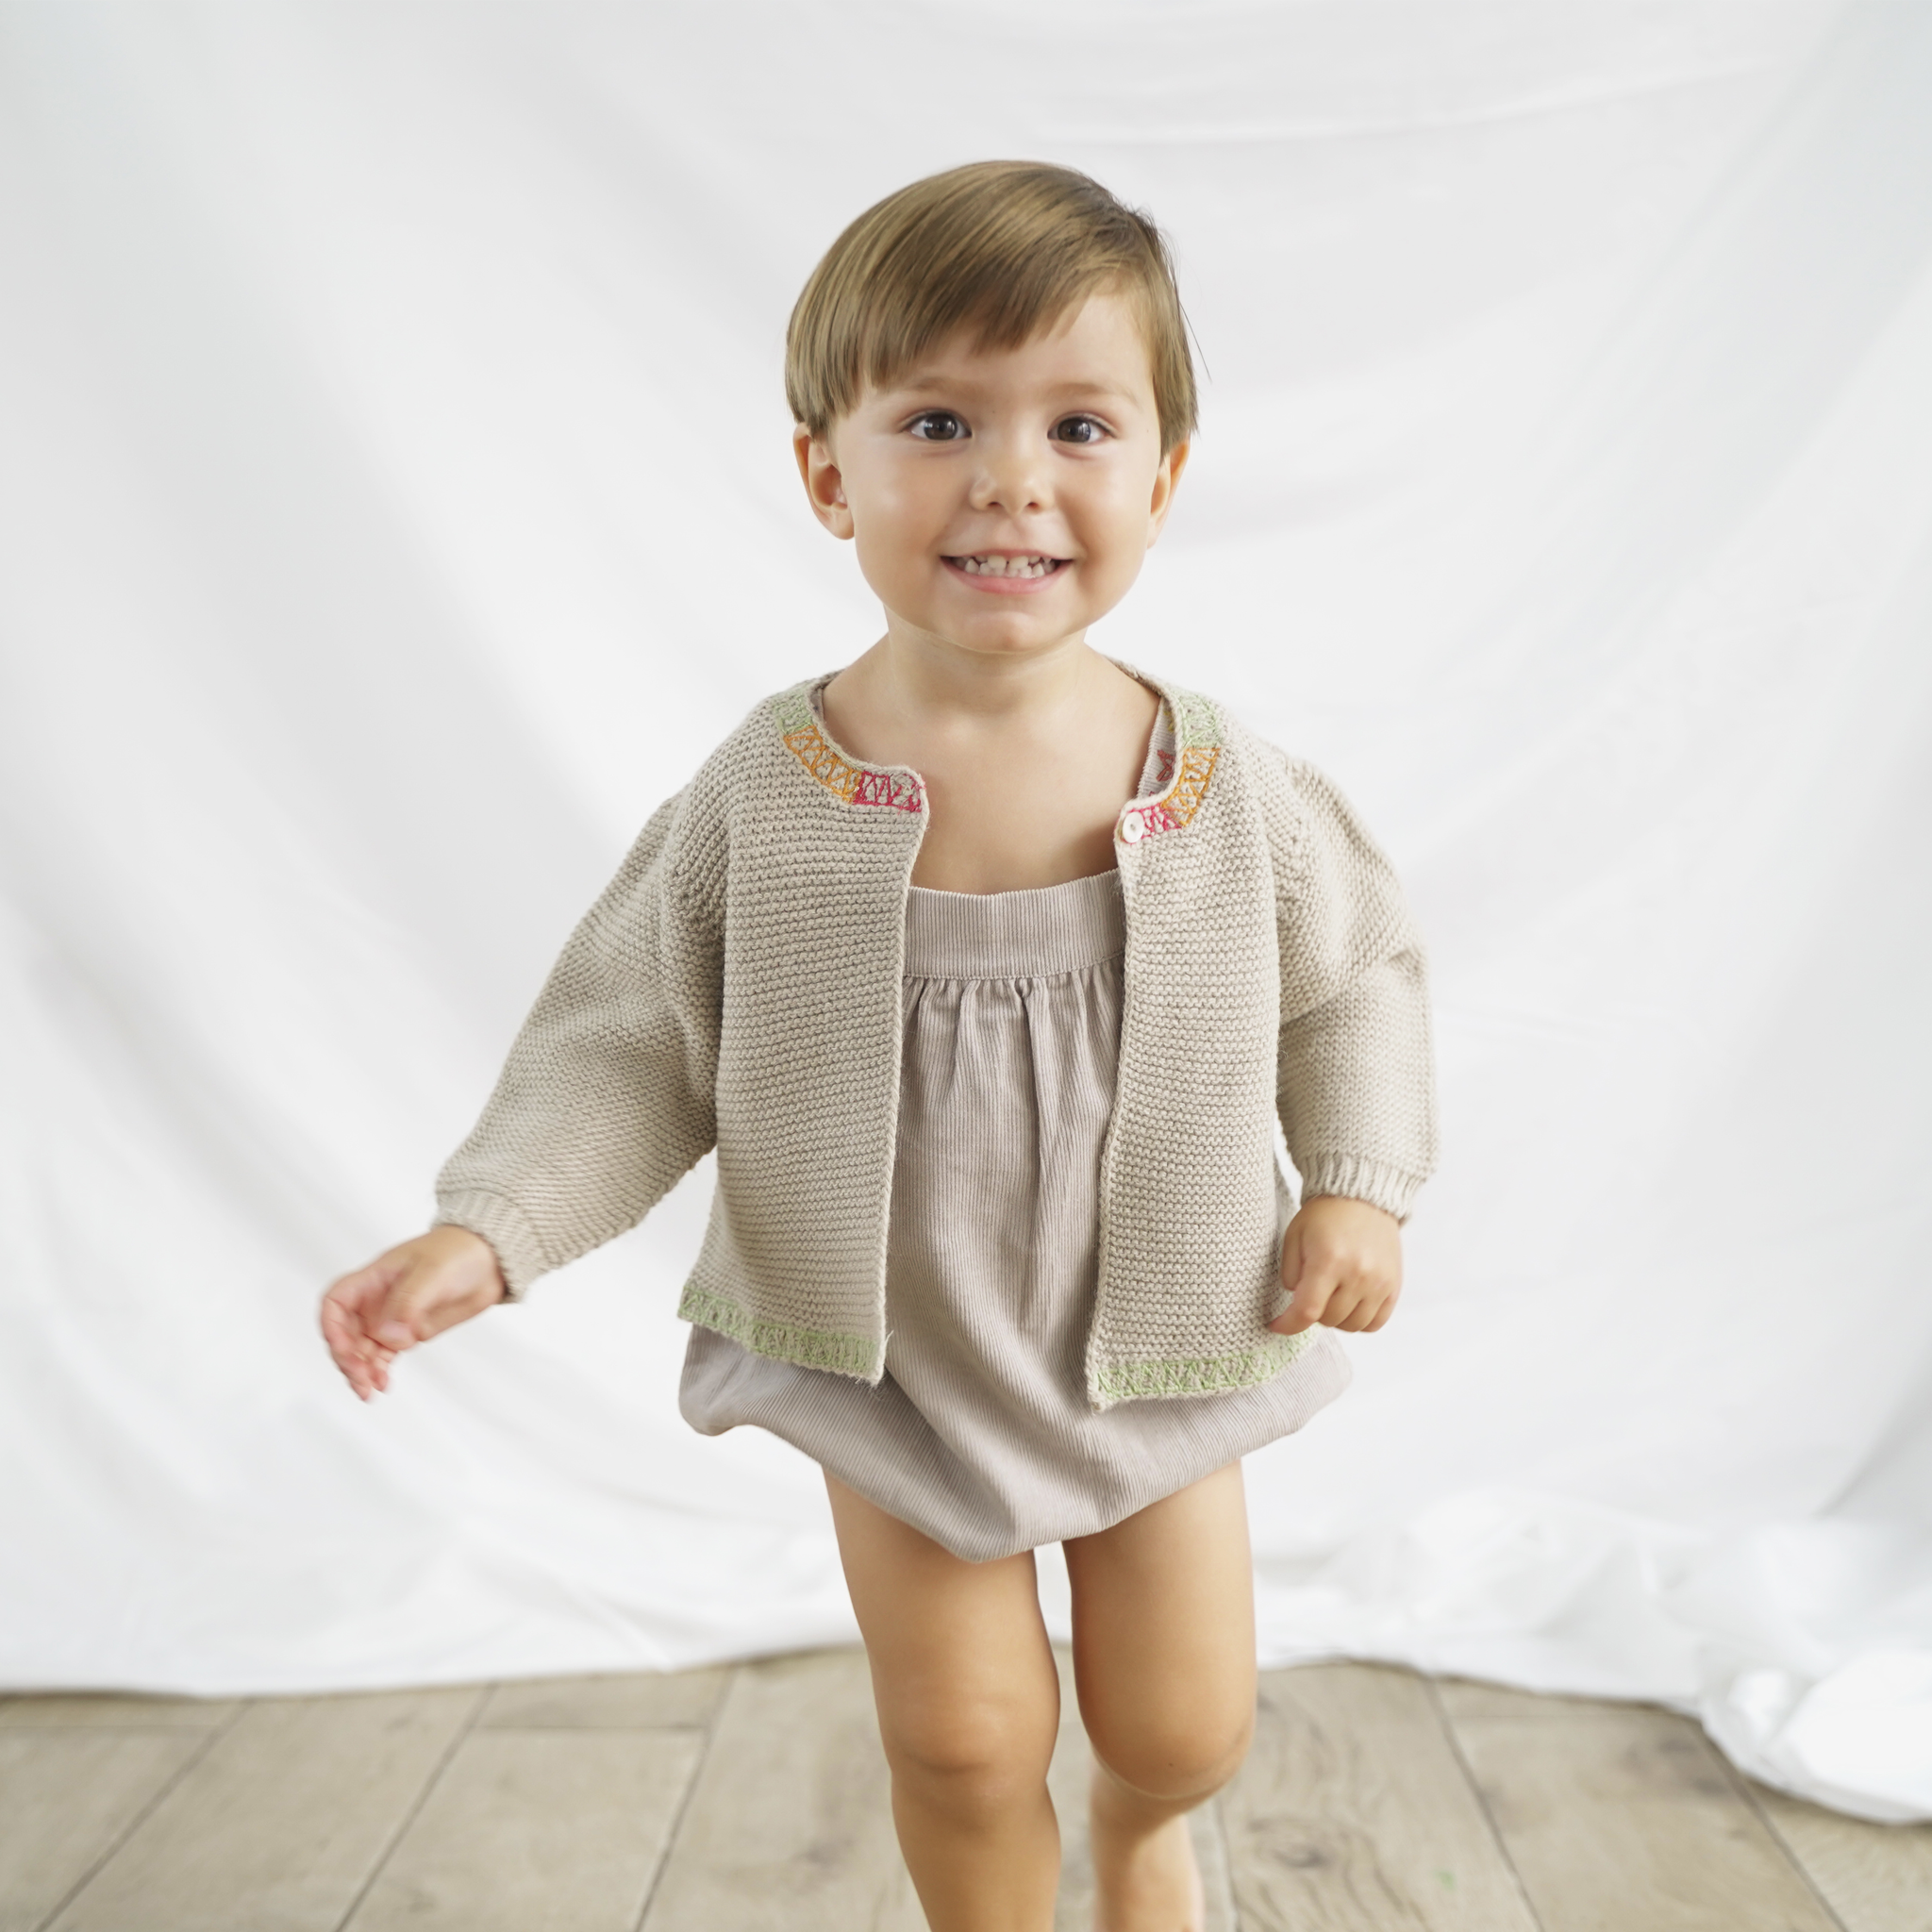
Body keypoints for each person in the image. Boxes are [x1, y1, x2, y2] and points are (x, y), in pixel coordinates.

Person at [321, 159, 1437, 1932]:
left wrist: (1361, 1192)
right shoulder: (768, 800)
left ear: (1164, 474)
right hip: (889, 1358)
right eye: (939, 420)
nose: (1011, 479)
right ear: (826, 472)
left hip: (1168, 1327)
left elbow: (1353, 980)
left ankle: (1154, 1839)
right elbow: (630, 1043)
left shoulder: (1231, 796)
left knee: (1181, 1721)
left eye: (1079, 424)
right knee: (966, 1739)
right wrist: (493, 1229)